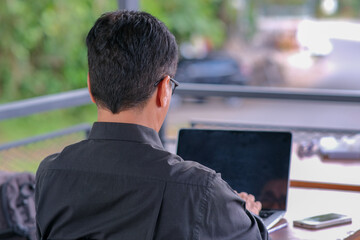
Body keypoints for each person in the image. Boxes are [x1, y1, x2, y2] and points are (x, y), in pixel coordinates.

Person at [35, 10, 269, 240]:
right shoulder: (202, 192)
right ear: (164, 90)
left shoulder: (50, 175)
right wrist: (246, 215)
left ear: (90, 87)